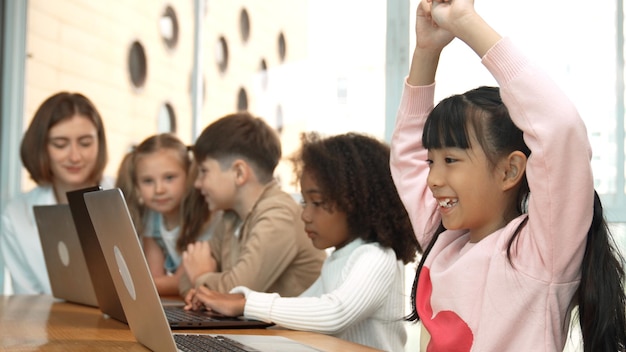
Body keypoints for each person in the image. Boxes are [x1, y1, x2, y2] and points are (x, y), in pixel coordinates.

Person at [390, 1, 626, 351]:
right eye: (431, 162)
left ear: (510, 170)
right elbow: (407, 154)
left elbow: (560, 128)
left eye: (451, 160)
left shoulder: (539, 253)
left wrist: (466, 23)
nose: (433, 179)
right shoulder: (444, 240)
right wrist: (426, 50)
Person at [185, 132, 421, 351]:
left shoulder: (376, 256)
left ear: (357, 204)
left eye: (316, 203)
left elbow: (334, 312)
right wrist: (232, 300)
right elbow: (299, 306)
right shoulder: (339, 258)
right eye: (304, 203)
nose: (305, 215)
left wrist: (246, 304)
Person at [179, 112, 326, 300]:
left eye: (204, 171)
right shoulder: (230, 217)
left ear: (239, 173)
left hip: (291, 330)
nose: (197, 183)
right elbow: (185, 279)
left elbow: (237, 292)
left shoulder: (279, 215)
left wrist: (200, 278)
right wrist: (200, 286)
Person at [0, 91, 111, 294]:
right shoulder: (16, 215)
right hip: (48, 324)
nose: (75, 157)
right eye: (60, 145)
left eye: (85, 143)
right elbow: (28, 301)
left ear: (99, 143)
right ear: (41, 147)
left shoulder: (126, 197)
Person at [117, 133, 219, 296]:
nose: (159, 190)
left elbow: (182, 281)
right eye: (148, 181)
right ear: (137, 184)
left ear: (189, 175)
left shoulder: (206, 216)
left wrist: (125, 286)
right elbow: (155, 276)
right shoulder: (153, 216)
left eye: (169, 178)